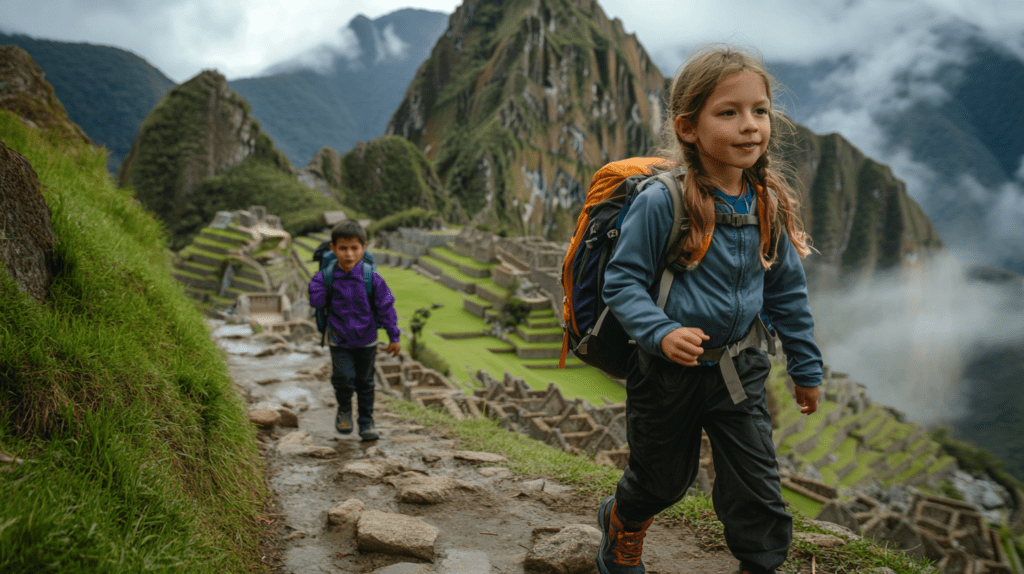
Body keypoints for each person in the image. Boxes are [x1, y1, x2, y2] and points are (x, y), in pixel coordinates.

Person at [596, 44, 823, 574]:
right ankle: (622, 526)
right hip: (666, 372)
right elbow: (622, 281)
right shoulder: (662, 201)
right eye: (729, 112)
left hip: (739, 369)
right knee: (660, 480)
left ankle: (759, 564)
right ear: (688, 127)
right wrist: (660, 332)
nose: (750, 126)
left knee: (758, 486)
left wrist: (806, 367)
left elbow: (787, 293)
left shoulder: (767, 202)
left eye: (759, 111)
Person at [308, 220, 401, 441]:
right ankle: (344, 410)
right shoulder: (326, 277)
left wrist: (393, 335)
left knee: (366, 382)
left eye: (354, 248)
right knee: (342, 378)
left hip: (367, 339)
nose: (349, 254)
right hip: (339, 339)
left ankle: (366, 421)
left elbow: (386, 306)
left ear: (364, 248)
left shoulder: (371, 278)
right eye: (343, 248)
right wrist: (322, 292)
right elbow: (315, 297)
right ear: (333, 248)